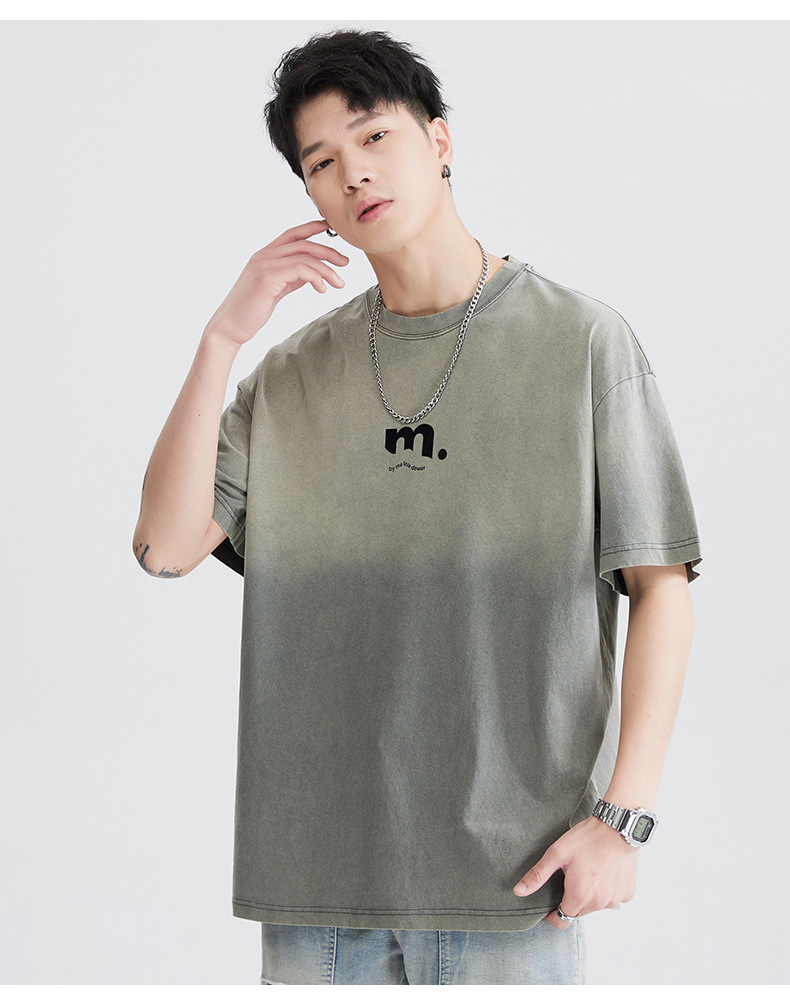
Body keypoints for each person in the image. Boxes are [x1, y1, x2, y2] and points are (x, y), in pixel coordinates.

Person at [133, 28, 702, 986]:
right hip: (316, 890)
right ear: (311, 195)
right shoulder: (290, 375)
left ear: (439, 139)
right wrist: (222, 338)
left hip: (517, 882)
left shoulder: (582, 344)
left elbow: (662, 586)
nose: (353, 172)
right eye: (321, 162)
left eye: (374, 136)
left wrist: (623, 820)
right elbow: (164, 546)